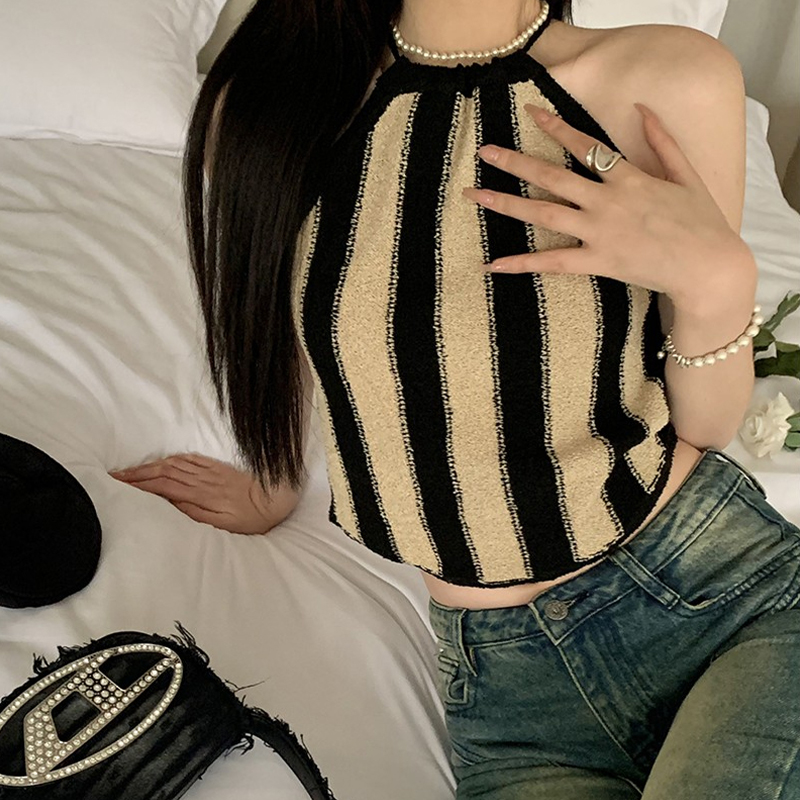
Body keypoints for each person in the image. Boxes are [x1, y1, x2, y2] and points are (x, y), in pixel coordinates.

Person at [111, 1, 800, 796]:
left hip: (722, 596)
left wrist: (720, 286)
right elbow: (310, 328)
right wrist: (273, 483)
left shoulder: (669, 77)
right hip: (508, 698)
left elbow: (706, 424)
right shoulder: (287, 101)